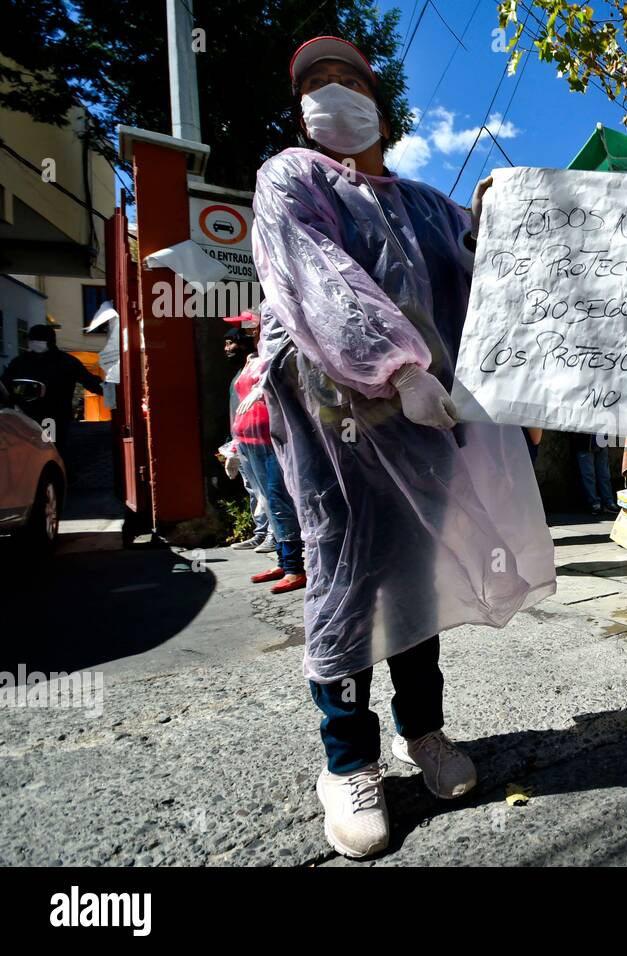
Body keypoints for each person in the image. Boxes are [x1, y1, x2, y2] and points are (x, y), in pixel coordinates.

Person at [251, 36, 555, 859]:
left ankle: (422, 733)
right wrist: (395, 368)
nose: (331, 95)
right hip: (341, 427)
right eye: (314, 84)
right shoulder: (293, 178)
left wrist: (499, 216)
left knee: (418, 583)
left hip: (423, 431)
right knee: (347, 584)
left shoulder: (423, 202)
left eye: (346, 79)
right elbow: (319, 281)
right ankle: (348, 763)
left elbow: (479, 273)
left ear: (377, 101)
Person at [227, 312, 307, 593]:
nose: (246, 331)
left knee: (279, 500)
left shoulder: (278, 357)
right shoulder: (249, 363)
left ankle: (295, 567)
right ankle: (283, 562)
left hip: (273, 439)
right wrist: (234, 446)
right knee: (268, 502)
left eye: (250, 325)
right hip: (249, 441)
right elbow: (237, 404)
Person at [1, 324, 103, 458]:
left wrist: (110, 391)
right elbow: (5, 385)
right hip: (25, 415)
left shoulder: (66, 362)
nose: (32, 343)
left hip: (54, 416)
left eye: (35, 340)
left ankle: (58, 474)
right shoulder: (21, 361)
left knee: (50, 450)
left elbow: (90, 381)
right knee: (26, 451)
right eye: (31, 340)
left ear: (48, 342)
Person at [220, 326, 274, 553]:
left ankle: (275, 535)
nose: (227, 348)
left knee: (268, 489)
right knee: (253, 489)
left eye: (231, 342)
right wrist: (233, 445)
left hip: (261, 438)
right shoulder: (241, 371)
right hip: (243, 439)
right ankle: (261, 532)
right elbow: (237, 409)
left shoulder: (259, 365)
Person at [572, 432, 618, 516]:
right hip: (585, 440)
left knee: (604, 474)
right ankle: (595, 502)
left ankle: (607, 501)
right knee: (589, 474)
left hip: (600, 437)